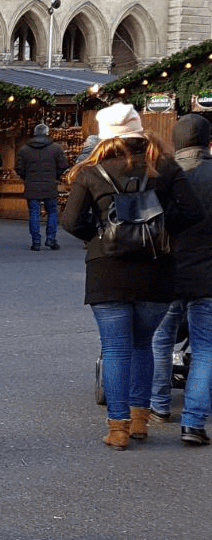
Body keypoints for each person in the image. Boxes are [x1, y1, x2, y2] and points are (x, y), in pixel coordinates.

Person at [60, 103, 202, 450]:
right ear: (140, 131)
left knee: (116, 348)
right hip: (156, 269)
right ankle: (140, 421)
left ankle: (118, 429)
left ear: (106, 135)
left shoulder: (92, 171)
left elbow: (70, 222)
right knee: (143, 345)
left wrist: (100, 237)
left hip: (107, 271)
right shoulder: (164, 167)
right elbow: (192, 212)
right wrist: (161, 232)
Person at [149, 113, 212, 446]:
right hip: (208, 275)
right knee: (205, 348)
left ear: (175, 141)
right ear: (208, 142)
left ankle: (158, 407)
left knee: (161, 340)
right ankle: (193, 423)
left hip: (167, 271)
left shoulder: (162, 175)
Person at [16, 123, 69, 252]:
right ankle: (51, 238)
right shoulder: (56, 148)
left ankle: (36, 241)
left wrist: (26, 177)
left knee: (34, 212)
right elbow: (63, 165)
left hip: (32, 184)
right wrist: (55, 176)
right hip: (49, 184)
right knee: (52, 212)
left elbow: (19, 168)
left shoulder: (24, 150)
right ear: (47, 133)